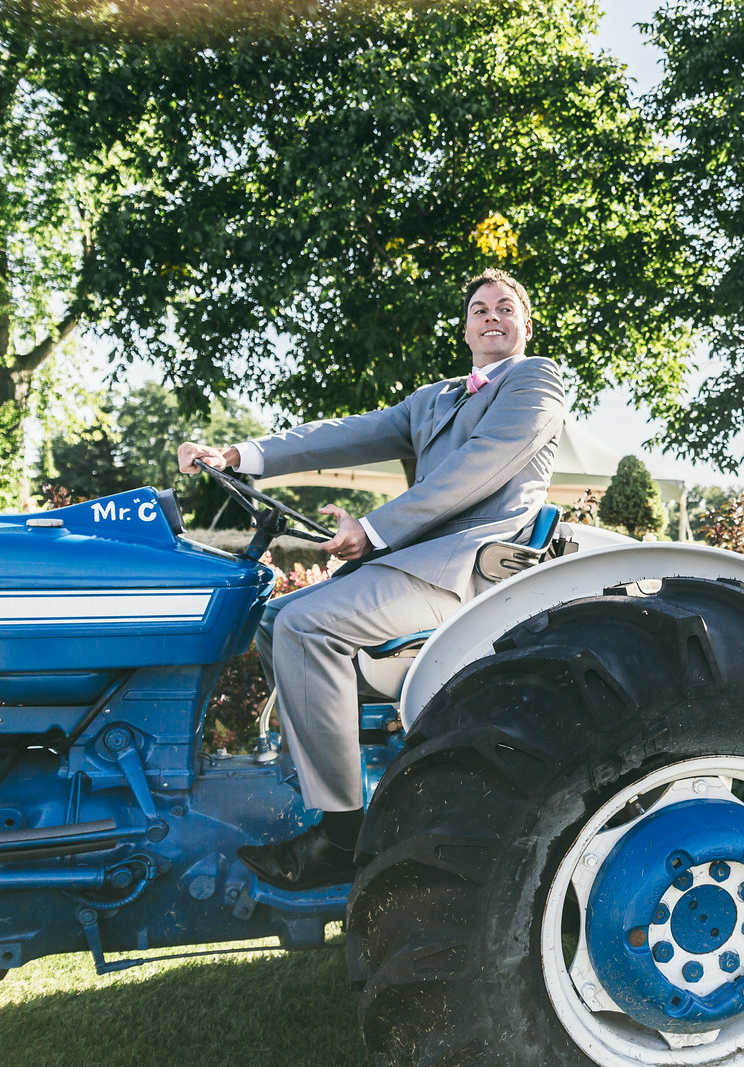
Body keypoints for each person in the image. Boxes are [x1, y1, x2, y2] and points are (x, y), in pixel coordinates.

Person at [177, 268, 567, 889]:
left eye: (504, 308)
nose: (490, 316)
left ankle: (341, 839)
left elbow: (476, 468)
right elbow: (340, 435)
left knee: (307, 623)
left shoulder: (535, 381)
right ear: (466, 328)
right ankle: (358, 775)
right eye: (478, 309)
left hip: (467, 571)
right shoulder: (435, 397)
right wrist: (237, 456)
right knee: (275, 618)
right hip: (410, 564)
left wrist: (376, 529)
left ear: (523, 324)